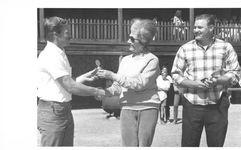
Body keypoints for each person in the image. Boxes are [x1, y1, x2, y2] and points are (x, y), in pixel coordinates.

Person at [171, 14, 241, 147]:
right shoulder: (185, 49)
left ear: (211, 28)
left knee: (216, 145)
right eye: (195, 27)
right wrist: (195, 84)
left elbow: (236, 73)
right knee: (189, 145)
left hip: (218, 104)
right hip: (192, 104)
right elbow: (175, 75)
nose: (195, 30)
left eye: (199, 27)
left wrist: (218, 80)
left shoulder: (225, 47)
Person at [37, 16, 105, 146]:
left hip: (62, 110)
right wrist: (97, 91)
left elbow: (62, 83)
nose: (71, 36)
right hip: (53, 112)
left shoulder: (59, 52)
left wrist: (83, 78)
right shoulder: (51, 55)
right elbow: (69, 86)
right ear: (56, 34)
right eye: (67, 32)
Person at [95, 18, 160, 146]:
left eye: (132, 38)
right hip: (127, 108)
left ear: (143, 41)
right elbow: (118, 86)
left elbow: (139, 84)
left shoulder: (152, 60)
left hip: (148, 107)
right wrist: (103, 92)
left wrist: (112, 75)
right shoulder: (125, 60)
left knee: (143, 146)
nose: (128, 41)